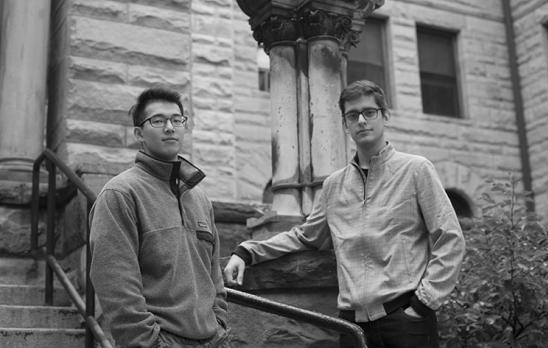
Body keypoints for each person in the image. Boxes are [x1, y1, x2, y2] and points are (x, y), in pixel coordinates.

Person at [224, 80, 466, 348]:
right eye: (353, 115)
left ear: (385, 116)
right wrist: (247, 252)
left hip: (406, 322)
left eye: (369, 112)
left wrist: (423, 303)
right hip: (352, 327)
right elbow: (305, 237)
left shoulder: (416, 170)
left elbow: (450, 238)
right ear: (345, 124)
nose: (361, 120)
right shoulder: (334, 185)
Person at [89, 87, 229, 348]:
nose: (170, 127)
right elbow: (115, 282)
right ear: (139, 134)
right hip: (159, 341)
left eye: (177, 120)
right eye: (158, 120)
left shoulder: (199, 198)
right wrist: (148, 342)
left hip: (213, 340)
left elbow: (213, 276)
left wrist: (219, 324)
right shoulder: (120, 194)